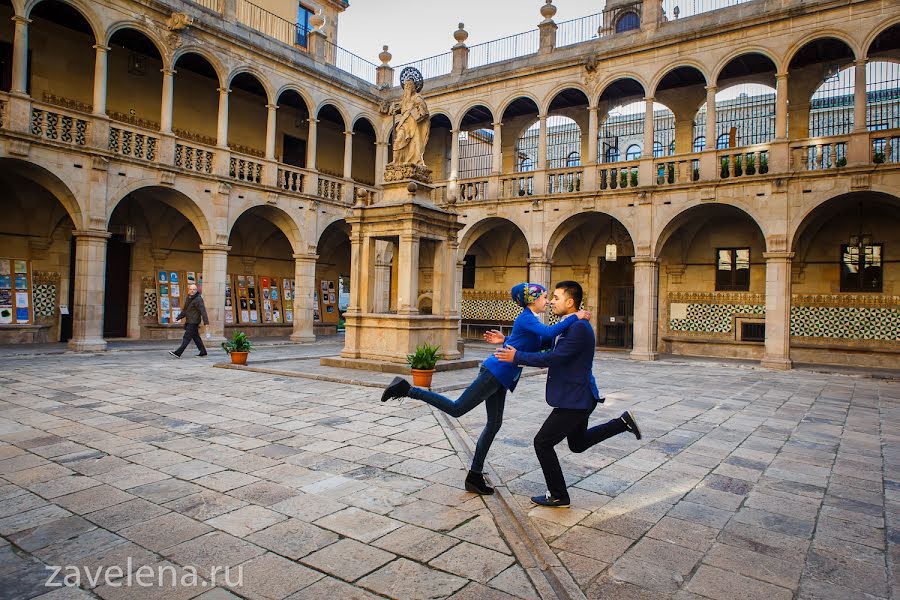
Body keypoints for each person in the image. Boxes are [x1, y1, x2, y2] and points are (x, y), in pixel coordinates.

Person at [380, 283, 591, 495]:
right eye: (545, 297)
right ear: (532, 300)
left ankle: (474, 476)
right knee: (457, 408)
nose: (548, 301)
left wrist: (505, 339)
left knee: (494, 424)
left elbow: (536, 343)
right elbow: (550, 331)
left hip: (502, 378)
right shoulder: (527, 317)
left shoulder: (531, 320)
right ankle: (406, 389)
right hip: (494, 372)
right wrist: (576, 316)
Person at [494, 281, 641, 508]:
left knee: (542, 443)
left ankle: (559, 495)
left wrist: (517, 357)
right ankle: (622, 422)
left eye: (556, 297)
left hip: (576, 399)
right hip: (576, 396)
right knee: (578, 443)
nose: (552, 301)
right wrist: (506, 341)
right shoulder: (568, 324)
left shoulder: (579, 328)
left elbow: (553, 358)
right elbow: (542, 342)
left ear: (570, 302)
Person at [390, 78, 430, 166]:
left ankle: (413, 161)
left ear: (413, 87)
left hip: (414, 124)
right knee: (398, 140)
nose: (407, 87)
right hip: (404, 123)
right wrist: (394, 109)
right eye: (406, 86)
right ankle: (396, 161)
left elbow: (424, 112)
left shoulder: (417, 97)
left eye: (409, 85)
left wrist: (417, 109)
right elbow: (400, 108)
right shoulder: (404, 99)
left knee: (414, 144)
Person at [169, 283, 209, 358]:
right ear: (188, 290)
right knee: (196, 337)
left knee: (186, 337)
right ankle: (203, 351)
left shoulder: (198, 299)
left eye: (194, 289)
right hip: (189, 321)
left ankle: (178, 352)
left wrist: (206, 323)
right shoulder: (189, 298)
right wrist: (178, 318)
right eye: (191, 289)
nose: (192, 291)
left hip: (194, 322)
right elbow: (185, 310)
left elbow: (203, 311)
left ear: (196, 290)